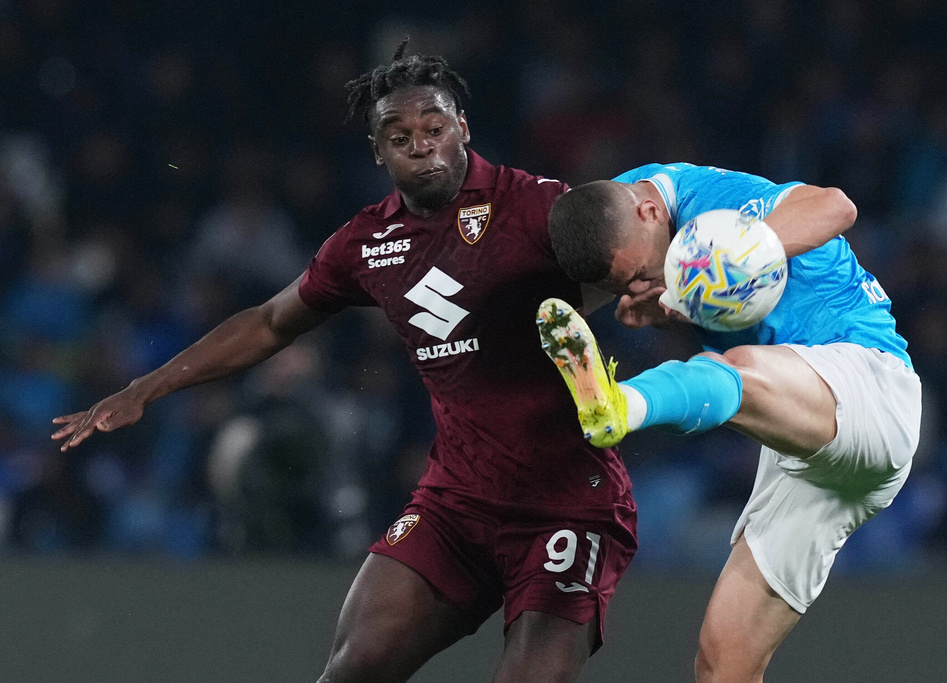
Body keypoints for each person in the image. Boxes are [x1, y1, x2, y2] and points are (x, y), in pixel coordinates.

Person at [51, 42, 637, 683]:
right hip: (455, 502)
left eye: (435, 127)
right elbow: (272, 322)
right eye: (399, 134)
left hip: (566, 502)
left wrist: (654, 289)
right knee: (351, 669)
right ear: (377, 151)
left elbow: (627, 253)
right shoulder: (366, 242)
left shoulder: (535, 205)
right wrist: (148, 386)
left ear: (463, 129)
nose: (421, 144)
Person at [538, 164, 921, 683]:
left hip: (869, 387)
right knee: (723, 662)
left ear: (650, 212)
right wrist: (665, 303)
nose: (642, 288)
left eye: (640, 274)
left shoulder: (715, 206)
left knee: (732, 368)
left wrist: (734, 257)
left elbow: (837, 206)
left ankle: (621, 405)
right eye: (626, 285)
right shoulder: (622, 211)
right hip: (805, 455)